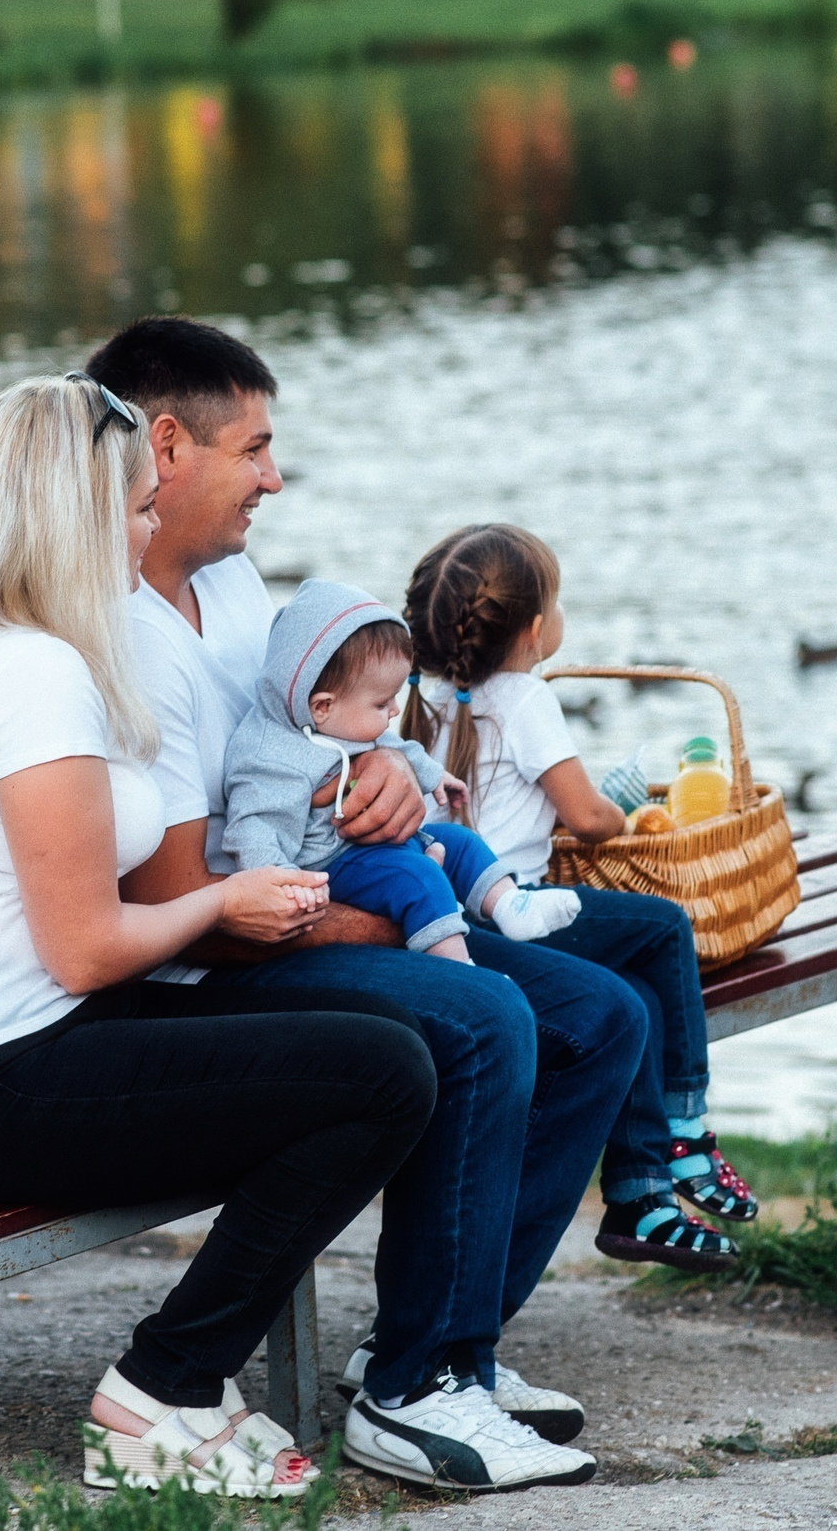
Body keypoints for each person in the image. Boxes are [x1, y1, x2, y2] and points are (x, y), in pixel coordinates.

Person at [0, 373, 436, 1499]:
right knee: (379, 1072)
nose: (148, 520)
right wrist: (222, 900)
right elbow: (86, 949)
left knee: (365, 1024)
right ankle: (163, 1385)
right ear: (72, 515)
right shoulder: (32, 673)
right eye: (129, 503)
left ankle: (193, 1387)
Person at [94, 317, 641, 1493]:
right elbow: (191, 895)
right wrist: (400, 918)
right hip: (211, 953)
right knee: (482, 1015)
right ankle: (410, 1391)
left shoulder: (232, 584)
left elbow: (324, 715)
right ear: (168, 445)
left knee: (603, 1016)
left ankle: (452, 1347)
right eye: (256, 449)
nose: (274, 478)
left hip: (323, 885)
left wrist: (386, 763)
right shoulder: (120, 635)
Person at [402, 524, 761, 1274]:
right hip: (513, 905)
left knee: (632, 989)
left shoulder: (425, 702)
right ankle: (689, 1128)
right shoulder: (527, 698)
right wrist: (622, 810)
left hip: (447, 906)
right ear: (534, 630)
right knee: (662, 927)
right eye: (556, 600)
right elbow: (589, 818)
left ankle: (639, 1190)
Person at [222, 579, 587, 961]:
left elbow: (398, 748)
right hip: (330, 866)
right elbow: (253, 828)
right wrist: (286, 883)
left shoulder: (344, 720)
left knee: (458, 842)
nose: (394, 711)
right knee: (420, 879)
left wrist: (434, 776)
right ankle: (459, 967)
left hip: (370, 850)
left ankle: (512, 905)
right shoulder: (270, 759)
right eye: (383, 703)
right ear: (322, 706)